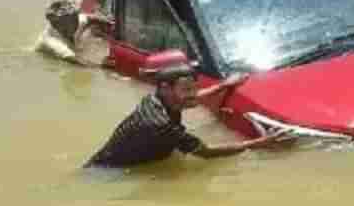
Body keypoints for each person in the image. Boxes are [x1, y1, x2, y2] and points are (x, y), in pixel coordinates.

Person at [84, 62, 288, 168]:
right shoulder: (160, 124)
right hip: (113, 172)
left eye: (194, 88)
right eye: (186, 89)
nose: (192, 95)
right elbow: (207, 153)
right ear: (165, 88)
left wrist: (224, 86)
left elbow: (192, 98)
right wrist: (258, 143)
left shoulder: (157, 100)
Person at [35, 0, 112, 67]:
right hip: (45, 59)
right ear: (57, 25)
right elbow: (74, 60)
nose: (76, 22)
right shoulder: (52, 41)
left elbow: (88, 17)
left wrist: (105, 20)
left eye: (75, 17)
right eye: (71, 21)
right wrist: (101, 65)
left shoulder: (76, 20)